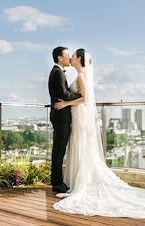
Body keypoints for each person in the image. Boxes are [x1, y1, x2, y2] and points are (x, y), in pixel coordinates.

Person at [52, 48, 145, 218]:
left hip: (78, 113)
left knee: (80, 144)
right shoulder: (79, 75)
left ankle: (79, 181)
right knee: (78, 144)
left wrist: (65, 104)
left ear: (79, 60)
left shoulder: (80, 76)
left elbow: (84, 98)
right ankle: (77, 179)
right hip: (77, 114)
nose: (71, 57)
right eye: (69, 55)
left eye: (73, 56)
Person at [48, 46, 82, 193]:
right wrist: (80, 95)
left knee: (59, 150)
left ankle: (57, 181)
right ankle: (57, 183)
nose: (69, 57)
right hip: (61, 117)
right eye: (67, 55)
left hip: (60, 116)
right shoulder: (58, 73)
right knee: (59, 151)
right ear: (59, 58)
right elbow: (65, 95)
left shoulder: (57, 72)